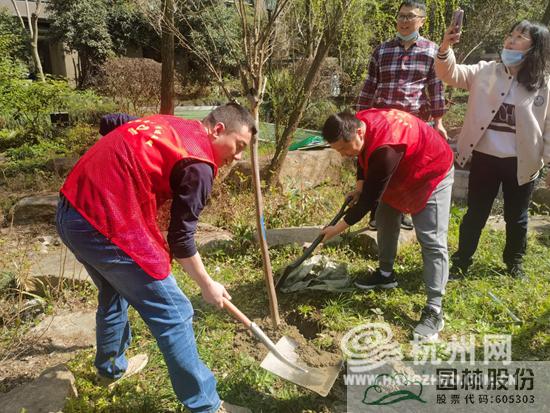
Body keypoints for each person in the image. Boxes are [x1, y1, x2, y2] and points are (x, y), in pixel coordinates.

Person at [56, 103, 256, 413]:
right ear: (218, 130)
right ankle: (206, 406)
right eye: (239, 145)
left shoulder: (169, 125)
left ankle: (110, 369)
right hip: (104, 224)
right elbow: (181, 239)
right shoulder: (199, 165)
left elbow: (113, 121)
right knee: (175, 312)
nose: (239, 156)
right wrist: (207, 285)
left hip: (70, 212)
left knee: (113, 291)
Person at [321, 109, 454, 339]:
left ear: (359, 133)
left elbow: (367, 202)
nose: (343, 155)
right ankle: (385, 275)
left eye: (343, 148)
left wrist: (336, 229)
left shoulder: (386, 149)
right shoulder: (361, 123)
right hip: (402, 169)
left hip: (431, 170)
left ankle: (435, 309)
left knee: (431, 240)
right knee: (384, 217)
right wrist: (360, 187)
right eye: (338, 150)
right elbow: (363, 158)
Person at [435, 20, 550, 279]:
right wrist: (445, 47)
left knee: (516, 216)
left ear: (535, 47)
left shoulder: (544, 83)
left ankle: (514, 262)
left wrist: (547, 161)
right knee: (476, 213)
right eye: (510, 35)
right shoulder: (485, 71)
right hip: (485, 158)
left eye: (519, 37)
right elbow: (449, 73)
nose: (510, 41)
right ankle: (462, 260)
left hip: (522, 162)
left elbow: (549, 128)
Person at [355, 0, 448, 231]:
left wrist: (438, 122)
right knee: (378, 167)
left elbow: (436, 88)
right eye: (401, 16)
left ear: (422, 21)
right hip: (383, 122)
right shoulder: (382, 50)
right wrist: (360, 115)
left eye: (410, 16)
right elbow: (370, 84)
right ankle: (375, 213)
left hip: (413, 123)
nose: (404, 21)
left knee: (406, 169)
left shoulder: (431, 51)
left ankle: (402, 211)